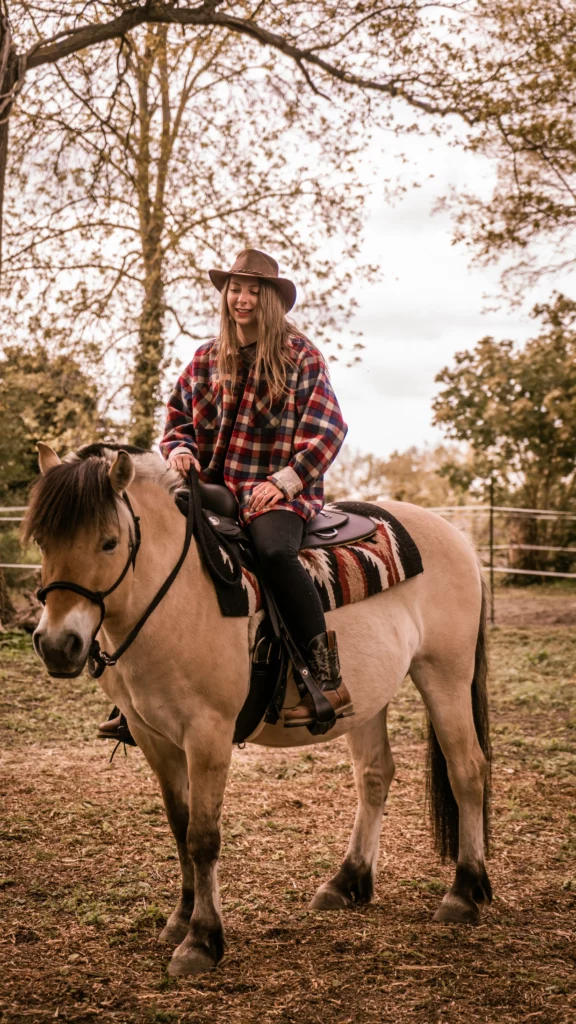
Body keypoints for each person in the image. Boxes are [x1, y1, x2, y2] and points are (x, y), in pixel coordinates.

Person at [98, 247, 351, 739]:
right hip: (212, 486)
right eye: (235, 289)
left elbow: (328, 430)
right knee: (162, 542)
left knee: (275, 552)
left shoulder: (301, 356)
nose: (242, 298)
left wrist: (284, 481)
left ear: (271, 300)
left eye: (253, 291)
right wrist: (179, 453)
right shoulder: (205, 358)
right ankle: (141, 693)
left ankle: (326, 678)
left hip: (277, 491)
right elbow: (176, 422)